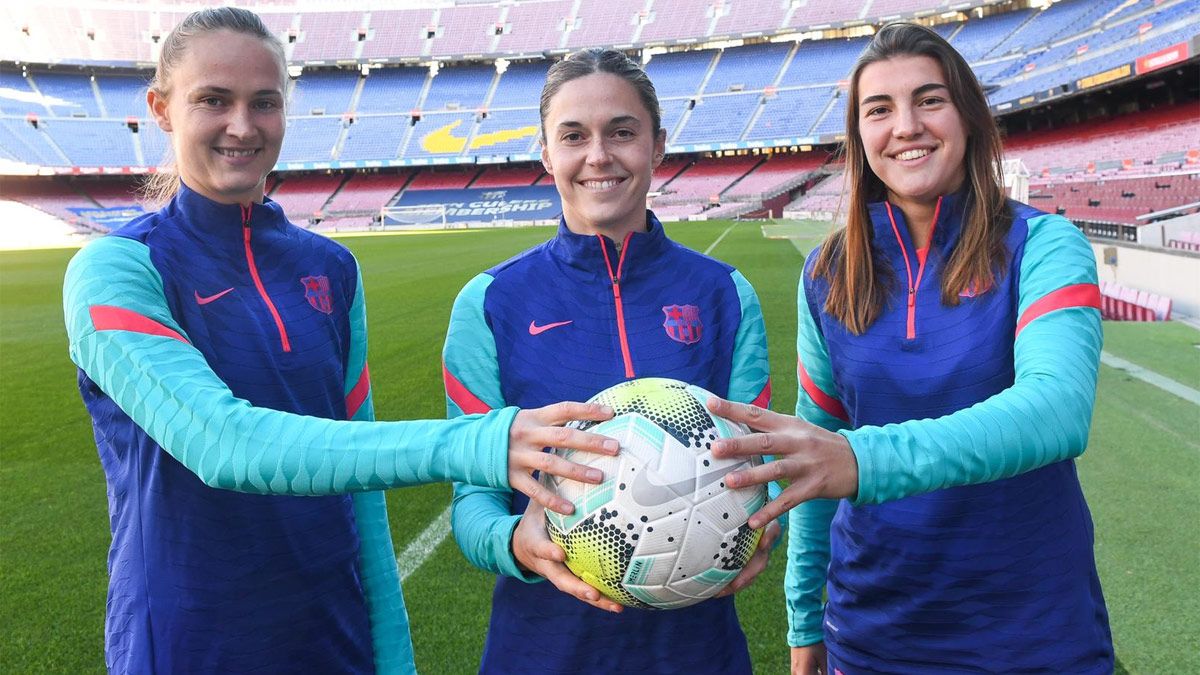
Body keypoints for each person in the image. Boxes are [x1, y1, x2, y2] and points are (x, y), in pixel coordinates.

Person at [62, 9, 618, 674]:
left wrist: (394, 658)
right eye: (213, 99)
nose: (242, 125)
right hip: (188, 642)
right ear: (160, 108)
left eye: (264, 102)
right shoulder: (118, 270)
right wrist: (477, 439)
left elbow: (364, 510)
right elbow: (223, 443)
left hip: (335, 638)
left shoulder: (329, 270)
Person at [704, 22, 1114, 675]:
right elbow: (816, 463)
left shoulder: (1045, 245)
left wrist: (860, 459)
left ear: (968, 116)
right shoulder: (827, 272)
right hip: (872, 634)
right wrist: (805, 619)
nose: (906, 125)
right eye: (879, 109)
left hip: (1031, 632)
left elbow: (1057, 409)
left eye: (930, 100)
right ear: (859, 135)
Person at [442, 48, 781, 674]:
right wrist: (513, 541)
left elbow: (761, 462)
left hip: (697, 653)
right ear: (546, 154)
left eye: (621, 132)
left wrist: (763, 521)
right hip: (542, 651)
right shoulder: (491, 304)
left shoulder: (724, 294)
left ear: (656, 146)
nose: (598, 155)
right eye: (574, 136)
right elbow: (471, 502)